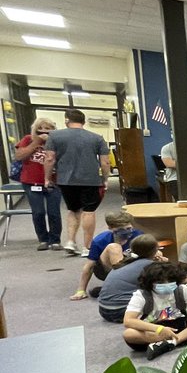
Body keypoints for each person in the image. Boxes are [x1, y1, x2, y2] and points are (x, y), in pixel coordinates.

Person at [43, 108, 109, 255]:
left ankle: (71, 241)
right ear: (84, 122)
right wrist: (105, 178)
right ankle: (87, 247)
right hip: (90, 180)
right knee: (89, 211)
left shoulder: (54, 136)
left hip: (65, 180)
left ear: (66, 120)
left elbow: (49, 159)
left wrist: (47, 178)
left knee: (73, 210)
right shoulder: (97, 138)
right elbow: (105, 162)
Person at [122, 261, 187, 360]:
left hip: (178, 324)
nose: (166, 284)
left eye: (170, 281)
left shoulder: (181, 289)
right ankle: (178, 339)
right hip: (153, 328)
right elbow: (128, 320)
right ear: (150, 282)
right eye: (160, 282)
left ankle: (173, 342)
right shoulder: (141, 295)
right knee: (129, 334)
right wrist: (159, 329)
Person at [13, 116, 63, 250]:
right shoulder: (28, 139)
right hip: (31, 182)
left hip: (54, 182)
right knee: (38, 212)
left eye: (47, 129)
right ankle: (43, 239)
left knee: (54, 212)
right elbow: (19, 156)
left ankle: (55, 240)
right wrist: (36, 143)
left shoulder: (57, 141)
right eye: (40, 128)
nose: (43, 131)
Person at [72, 209, 142, 301]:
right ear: (110, 228)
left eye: (128, 228)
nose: (126, 232)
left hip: (132, 269)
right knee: (114, 247)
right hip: (105, 270)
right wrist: (81, 290)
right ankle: (123, 287)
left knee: (155, 252)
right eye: (121, 229)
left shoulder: (138, 235)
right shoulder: (100, 240)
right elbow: (89, 267)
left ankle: (126, 287)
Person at [98, 234, 163, 323]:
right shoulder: (151, 266)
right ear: (156, 250)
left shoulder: (125, 261)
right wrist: (165, 264)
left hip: (103, 309)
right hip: (122, 311)